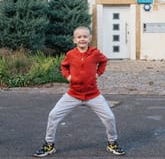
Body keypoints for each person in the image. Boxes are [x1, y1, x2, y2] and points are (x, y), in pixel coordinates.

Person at [34, 26, 125, 157]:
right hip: (73, 94)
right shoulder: (70, 54)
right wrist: (68, 76)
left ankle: (112, 143)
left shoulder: (95, 53)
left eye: (85, 36)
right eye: (79, 37)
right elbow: (64, 66)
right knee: (53, 115)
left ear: (90, 38)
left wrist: (98, 73)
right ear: (74, 40)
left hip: (93, 95)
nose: (82, 39)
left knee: (109, 117)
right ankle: (49, 145)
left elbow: (104, 61)